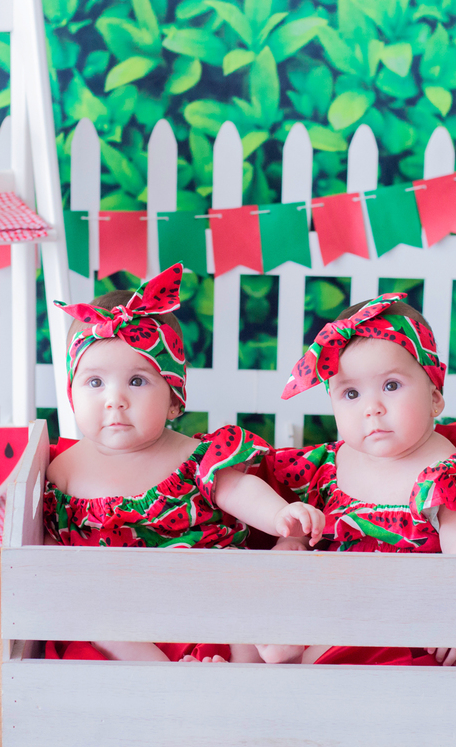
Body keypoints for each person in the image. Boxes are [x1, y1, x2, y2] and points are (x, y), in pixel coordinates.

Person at [42, 262, 323, 662]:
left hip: (206, 588)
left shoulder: (194, 457)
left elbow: (237, 489)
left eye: (137, 381)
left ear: (174, 399)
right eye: (95, 382)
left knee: (243, 585)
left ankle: (247, 669)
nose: (114, 399)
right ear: (73, 396)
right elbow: (50, 549)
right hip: (123, 606)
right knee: (98, 623)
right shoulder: (62, 472)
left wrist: (280, 516)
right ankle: (164, 679)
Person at [251, 293, 456, 667]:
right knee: (261, 626)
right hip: (334, 595)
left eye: (391, 386)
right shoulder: (332, 463)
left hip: (401, 612)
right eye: (350, 393)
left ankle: (305, 669)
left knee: (322, 658)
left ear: (435, 398)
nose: (371, 407)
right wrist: (291, 539)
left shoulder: (444, 470)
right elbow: (307, 520)